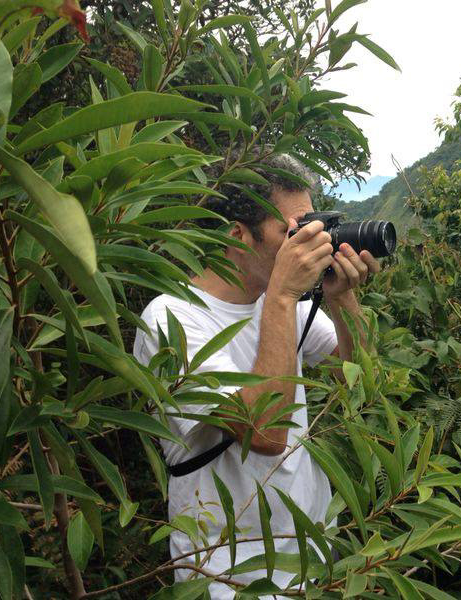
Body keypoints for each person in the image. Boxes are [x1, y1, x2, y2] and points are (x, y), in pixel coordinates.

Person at [132, 153, 379, 598]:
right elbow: (263, 433)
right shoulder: (170, 321)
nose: (310, 243)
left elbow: (362, 379)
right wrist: (284, 293)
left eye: (314, 228)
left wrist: (342, 300)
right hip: (228, 576)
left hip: (310, 559)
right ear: (238, 235)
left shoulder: (280, 303)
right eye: (294, 231)